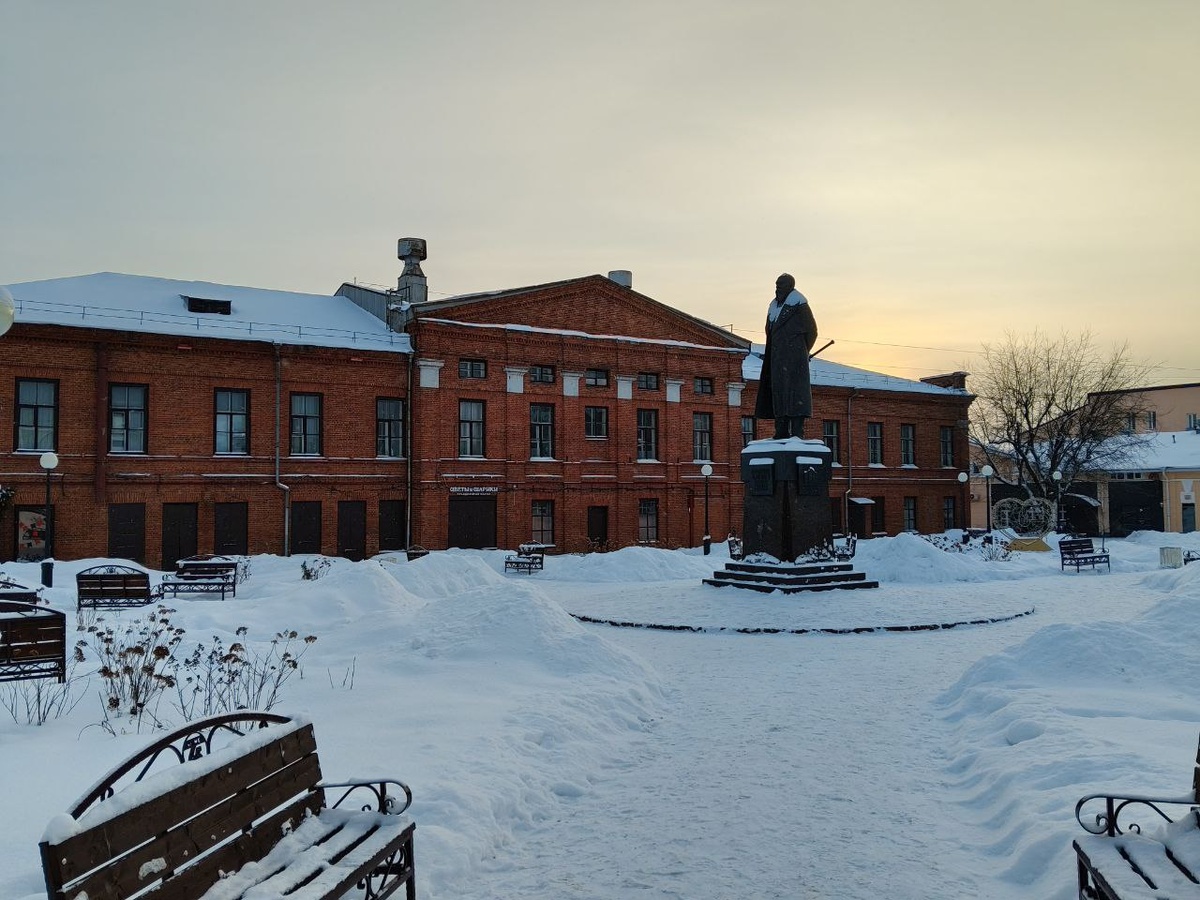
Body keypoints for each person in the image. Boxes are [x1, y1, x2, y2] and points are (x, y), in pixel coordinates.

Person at [753, 273, 818, 439]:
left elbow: (812, 331)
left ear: (790, 286)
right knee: (779, 395)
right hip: (776, 361)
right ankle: (781, 431)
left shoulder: (799, 304)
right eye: (776, 285)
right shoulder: (773, 307)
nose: (777, 288)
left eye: (781, 285)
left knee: (795, 397)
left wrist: (801, 352)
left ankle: (797, 432)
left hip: (795, 360)